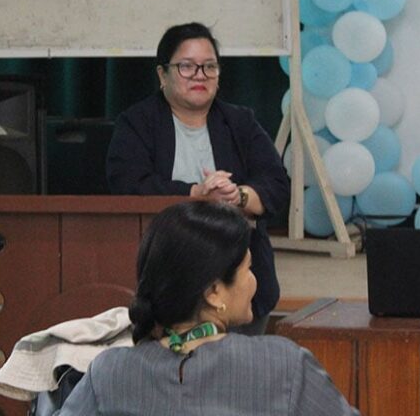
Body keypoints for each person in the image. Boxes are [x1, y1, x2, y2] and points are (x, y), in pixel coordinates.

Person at [58, 201, 359, 415]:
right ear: (214, 292)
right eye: (248, 269)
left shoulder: (109, 373)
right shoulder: (283, 365)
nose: (254, 281)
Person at [106, 22, 289, 335]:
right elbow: (128, 185)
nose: (200, 75)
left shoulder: (240, 121)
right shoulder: (137, 123)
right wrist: (195, 194)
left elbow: (277, 184)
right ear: (162, 75)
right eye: (187, 67)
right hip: (165, 281)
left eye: (209, 67)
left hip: (237, 284)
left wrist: (238, 196)